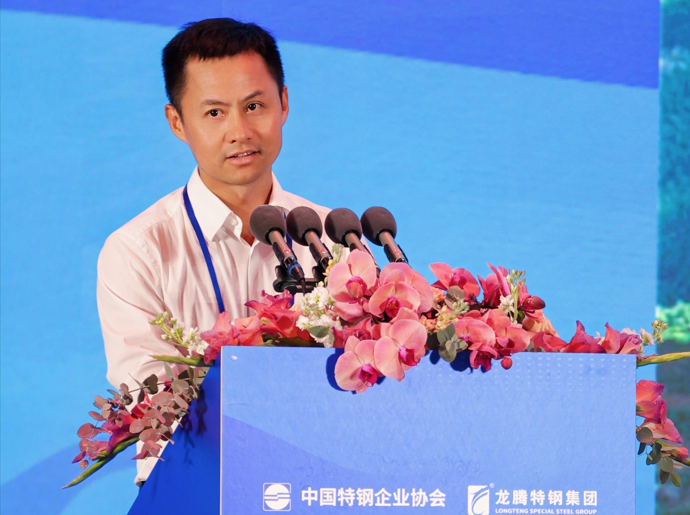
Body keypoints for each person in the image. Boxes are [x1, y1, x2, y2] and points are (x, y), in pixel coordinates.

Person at [96, 18, 332, 484]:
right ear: (177, 123)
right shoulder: (138, 252)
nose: (239, 131)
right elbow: (151, 403)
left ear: (284, 103)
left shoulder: (331, 239)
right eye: (214, 113)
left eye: (254, 106)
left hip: (319, 485)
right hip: (194, 486)